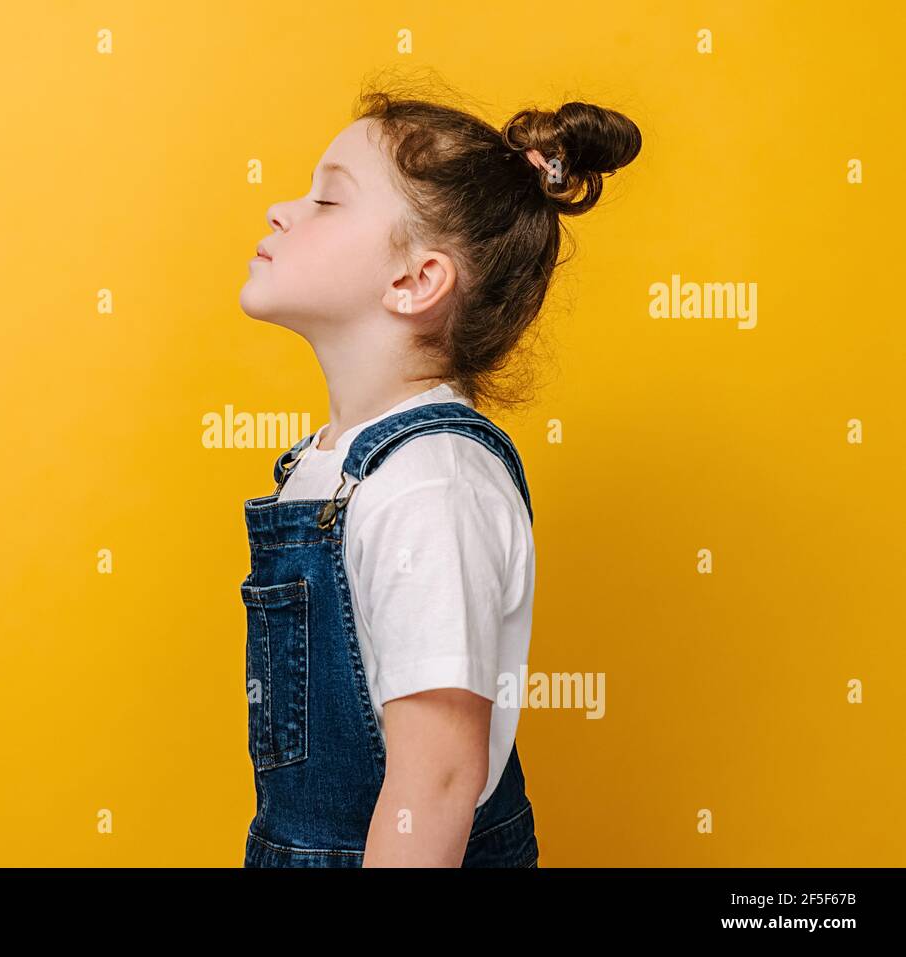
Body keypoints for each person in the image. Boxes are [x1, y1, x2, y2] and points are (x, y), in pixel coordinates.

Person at [236, 75, 641, 867]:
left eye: (327, 200)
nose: (279, 209)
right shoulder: (332, 465)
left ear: (416, 281)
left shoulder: (429, 483)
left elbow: (440, 780)